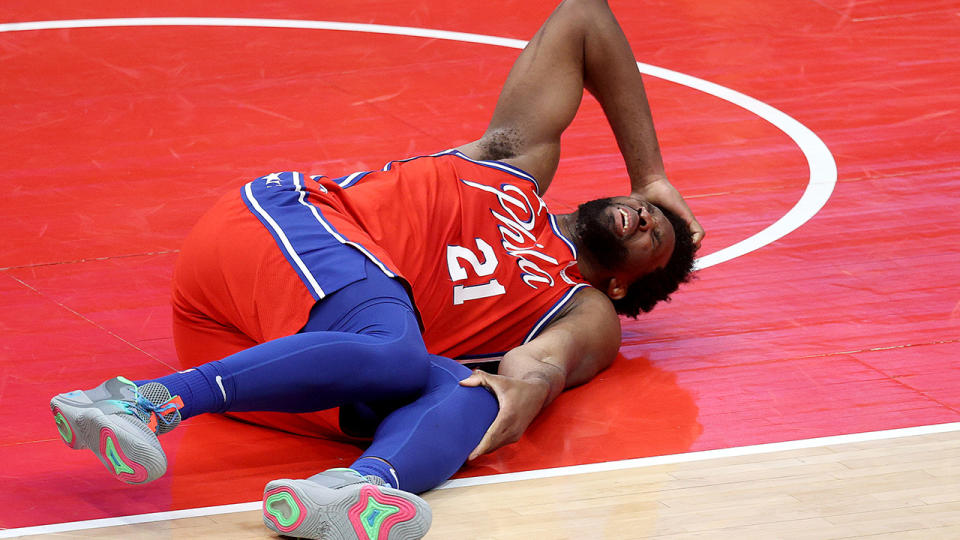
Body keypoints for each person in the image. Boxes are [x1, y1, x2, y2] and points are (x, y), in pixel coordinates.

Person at [48, 0, 701, 539]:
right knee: (398, 350)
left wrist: (523, 391)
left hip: (272, 351)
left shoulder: (580, 306)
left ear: (624, 285)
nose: (645, 217)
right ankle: (144, 401)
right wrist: (655, 177)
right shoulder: (515, 162)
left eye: (657, 236)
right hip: (275, 231)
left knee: (469, 393)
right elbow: (585, 17)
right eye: (649, 210)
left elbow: (548, 362)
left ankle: (349, 492)